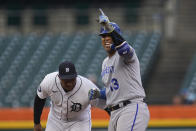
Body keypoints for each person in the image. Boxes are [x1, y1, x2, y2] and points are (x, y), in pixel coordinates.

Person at [88, 9, 150, 131]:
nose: (106, 38)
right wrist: (99, 93)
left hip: (131, 107)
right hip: (114, 112)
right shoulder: (105, 62)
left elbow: (123, 48)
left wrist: (108, 26)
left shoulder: (125, 54)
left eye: (109, 36)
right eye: (103, 36)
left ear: (116, 37)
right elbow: (112, 90)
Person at [34, 61, 105, 131]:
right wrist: (36, 123)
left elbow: (106, 106)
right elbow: (40, 98)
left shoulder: (88, 87)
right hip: (55, 120)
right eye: (66, 80)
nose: (69, 83)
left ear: (76, 75)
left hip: (79, 121)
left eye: (72, 79)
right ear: (59, 77)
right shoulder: (49, 81)